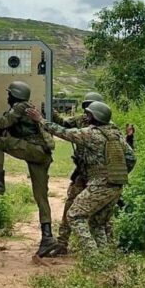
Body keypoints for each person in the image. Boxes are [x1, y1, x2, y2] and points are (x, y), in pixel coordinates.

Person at [29, 101, 128, 254]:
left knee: (75, 215)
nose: (86, 117)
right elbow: (131, 158)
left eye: (89, 114)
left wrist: (41, 120)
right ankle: (105, 257)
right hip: (117, 185)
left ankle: (93, 256)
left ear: (96, 117)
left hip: (100, 184)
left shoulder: (91, 134)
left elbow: (64, 132)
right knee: (97, 224)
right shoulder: (116, 134)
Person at [0, 81, 60, 257]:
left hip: (35, 150)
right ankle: (47, 238)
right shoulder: (26, 106)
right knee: (41, 197)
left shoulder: (20, 106)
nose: (7, 97)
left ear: (15, 95)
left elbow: (2, 123)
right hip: (42, 154)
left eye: (9, 94)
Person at [53, 92, 102, 255]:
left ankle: (104, 248)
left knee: (102, 216)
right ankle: (62, 243)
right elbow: (63, 124)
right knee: (70, 205)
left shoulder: (106, 126)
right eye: (87, 107)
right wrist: (48, 111)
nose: (88, 112)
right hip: (82, 172)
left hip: (99, 175)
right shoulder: (80, 121)